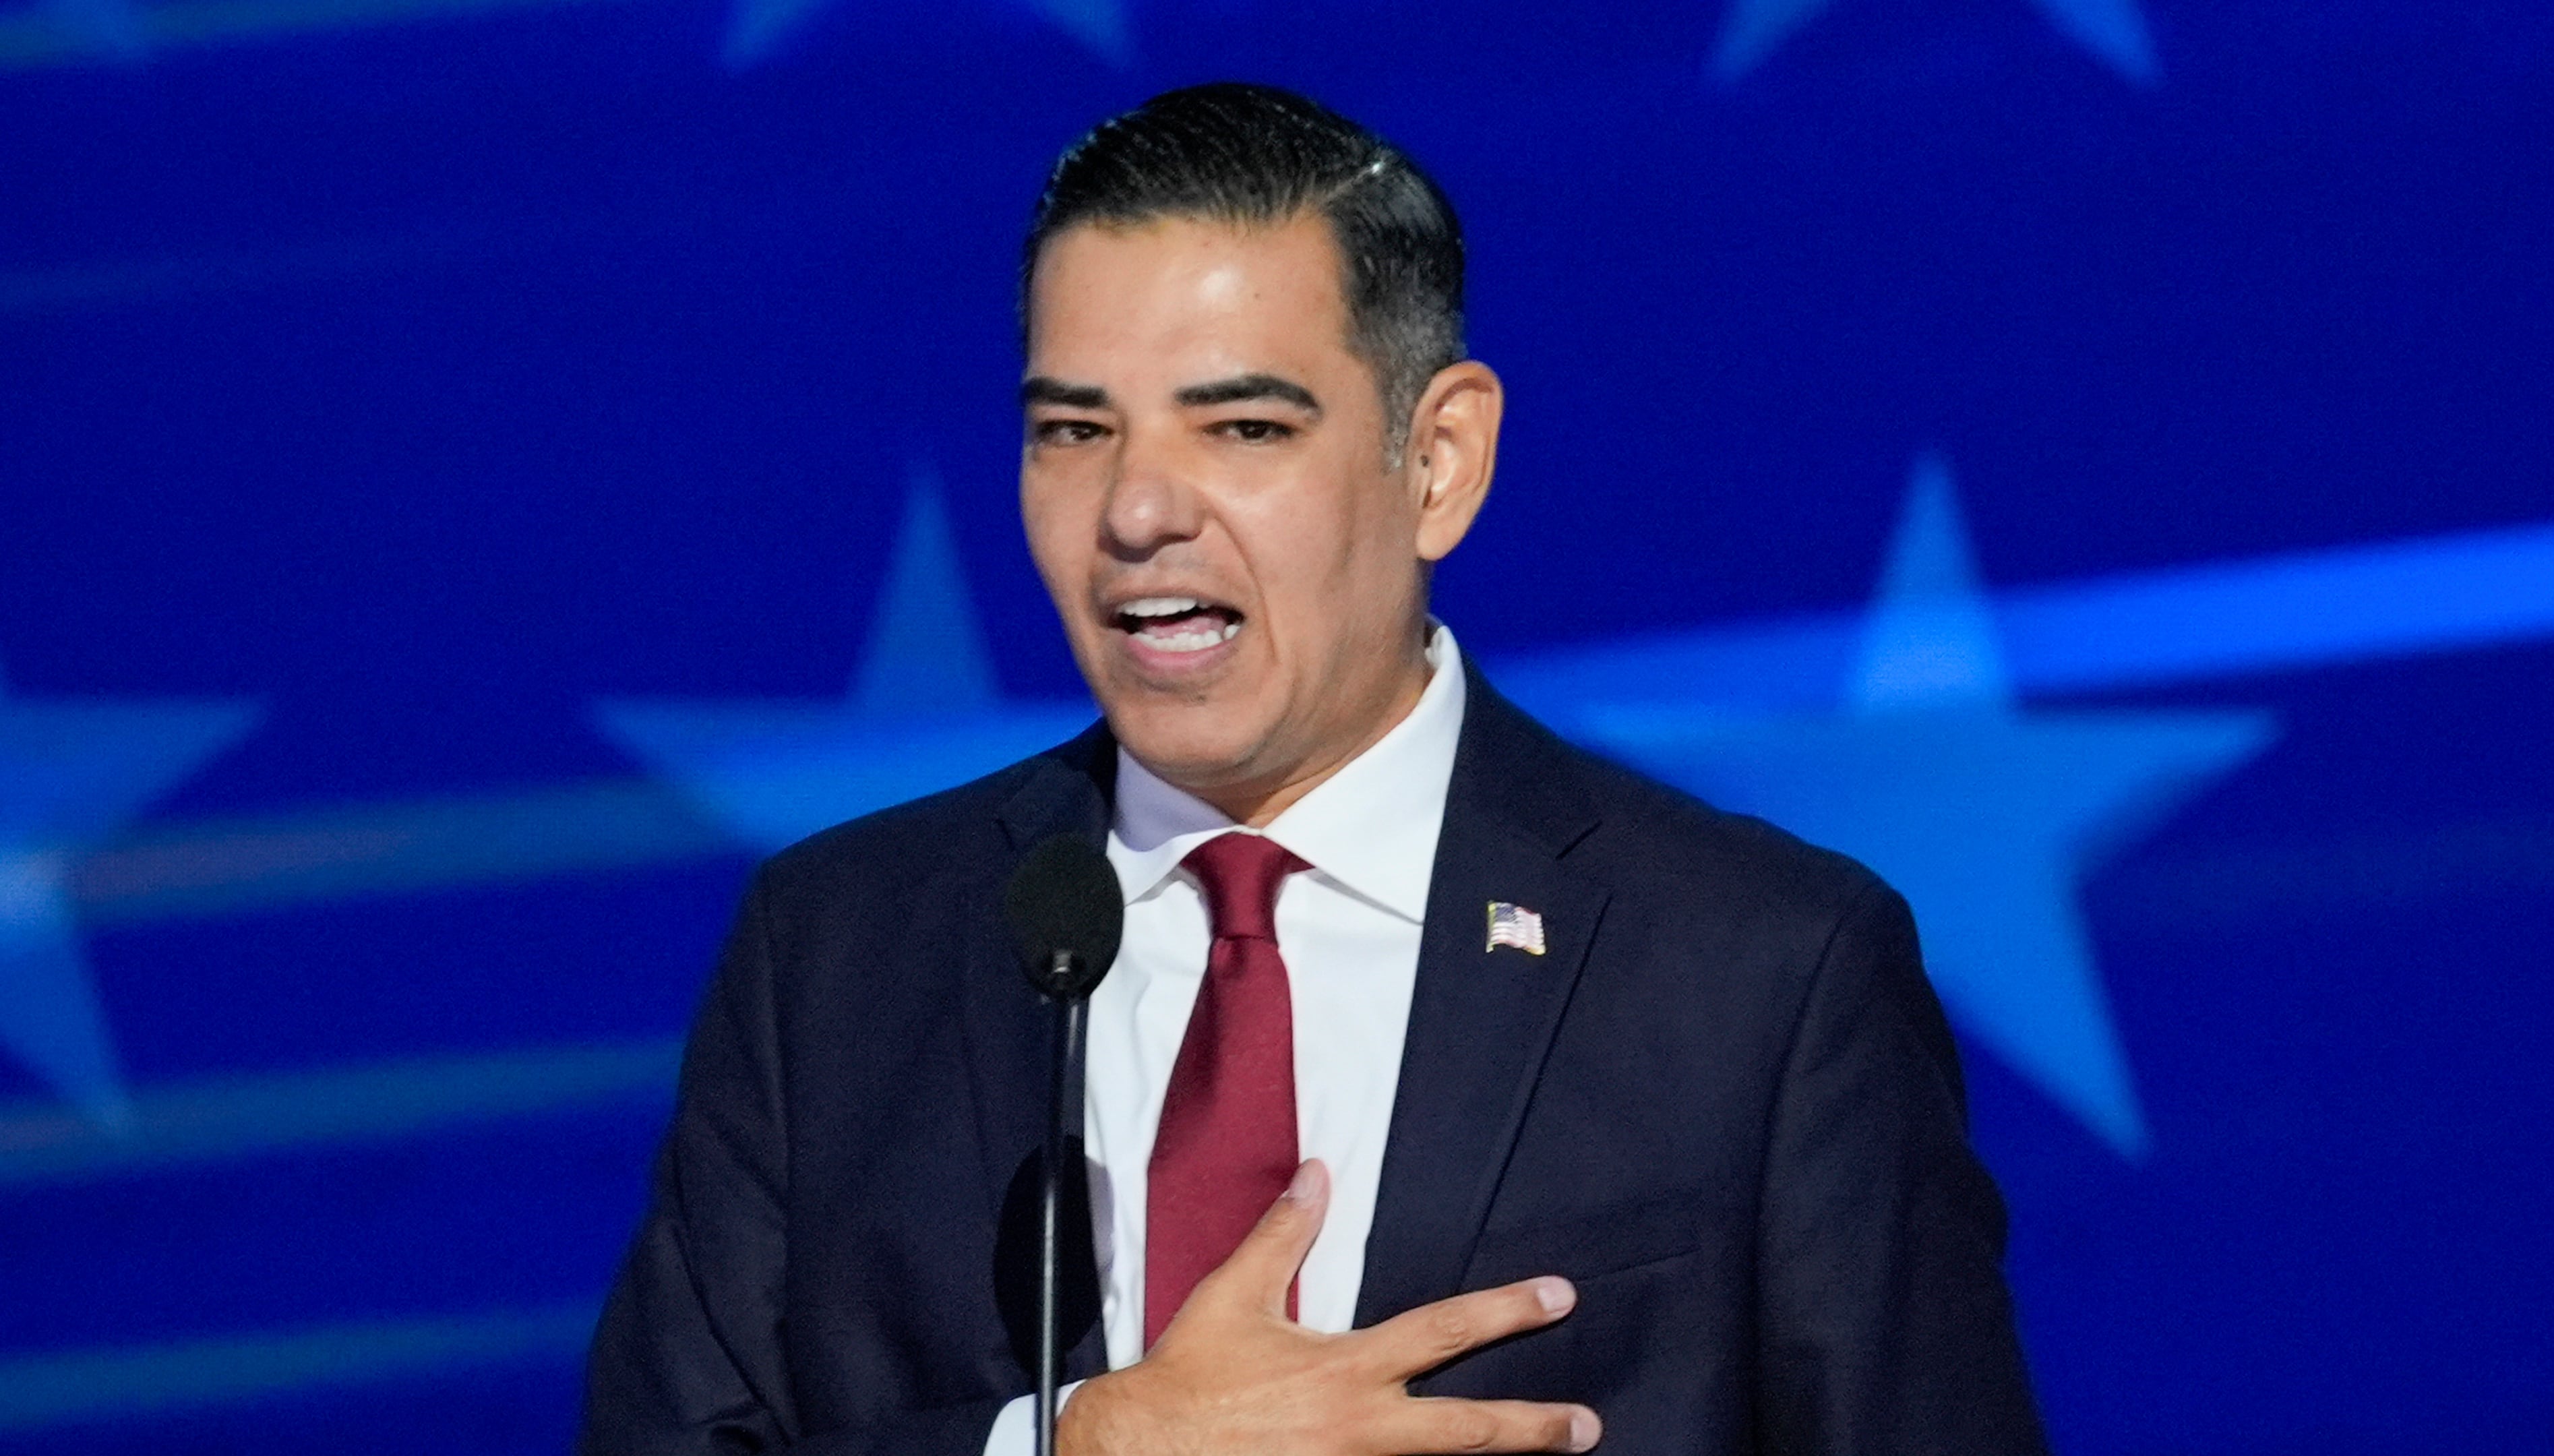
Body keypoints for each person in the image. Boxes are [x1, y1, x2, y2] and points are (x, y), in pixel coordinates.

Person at [580, 82, 2047, 1456]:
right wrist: (1076, 1443)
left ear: (1439, 460)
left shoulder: (1758, 976)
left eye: (1244, 427)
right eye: (1073, 431)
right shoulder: (839, 950)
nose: (1138, 509)